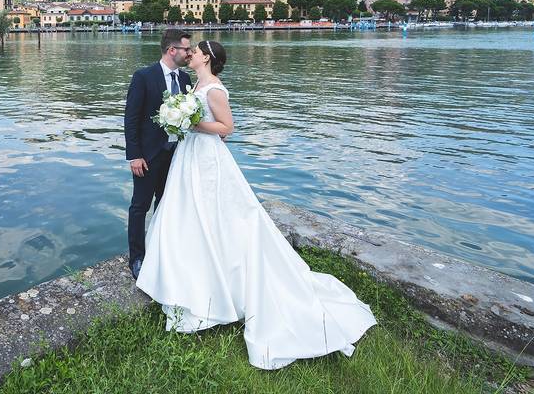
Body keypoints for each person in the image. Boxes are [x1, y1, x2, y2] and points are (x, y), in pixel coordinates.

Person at [136, 39, 376, 370]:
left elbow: (226, 128)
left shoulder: (215, 90)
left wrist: (192, 124)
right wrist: (182, 123)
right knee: (187, 214)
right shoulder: (196, 83)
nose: (189, 55)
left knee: (214, 216)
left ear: (207, 57)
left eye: (195, 51)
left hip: (207, 159)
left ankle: (217, 285)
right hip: (189, 156)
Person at [124, 29, 193, 280]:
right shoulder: (144, 77)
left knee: (167, 205)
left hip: (177, 156)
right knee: (139, 206)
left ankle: (163, 252)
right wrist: (134, 155)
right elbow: (131, 119)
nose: (190, 53)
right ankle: (137, 258)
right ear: (172, 50)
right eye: (187, 49)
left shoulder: (186, 80)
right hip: (148, 156)